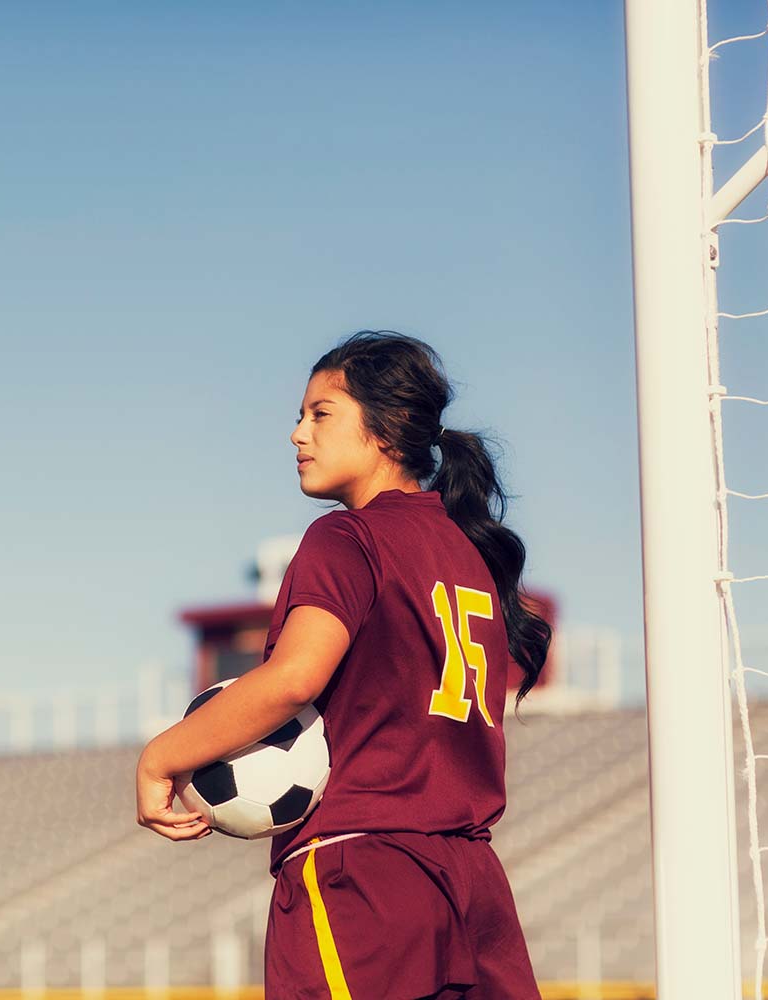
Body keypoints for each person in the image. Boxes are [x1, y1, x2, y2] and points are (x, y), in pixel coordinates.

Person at [136, 330, 551, 999]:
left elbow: (295, 678)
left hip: (364, 874)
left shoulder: (346, 536)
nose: (298, 434)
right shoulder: (472, 552)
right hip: (473, 883)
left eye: (320, 414)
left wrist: (160, 758)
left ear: (386, 429)